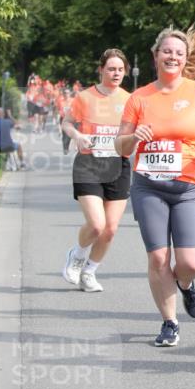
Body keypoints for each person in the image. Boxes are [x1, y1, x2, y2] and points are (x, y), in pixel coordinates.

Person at [115, 23, 195, 347]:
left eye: (178, 53)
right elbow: (120, 146)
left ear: (185, 58)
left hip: (190, 186)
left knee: (190, 263)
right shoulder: (139, 98)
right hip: (149, 186)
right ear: (156, 56)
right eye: (167, 51)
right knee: (157, 258)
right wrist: (131, 137)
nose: (172, 57)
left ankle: (186, 285)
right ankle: (169, 322)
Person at [61, 50, 131, 292]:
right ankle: (77, 255)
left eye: (120, 69)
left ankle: (89, 272)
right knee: (96, 225)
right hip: (89, 164)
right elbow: (67, 123)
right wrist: (78, 136)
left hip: (118, 165)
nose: (116, 73)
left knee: (110, 229)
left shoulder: (130, 99)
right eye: (111, 69)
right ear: (100, 70)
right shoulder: (85, 97)